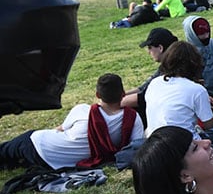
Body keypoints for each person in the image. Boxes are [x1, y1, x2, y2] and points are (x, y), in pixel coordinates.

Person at [0, 73, 143, 171]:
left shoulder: (82, 111)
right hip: (58, 163)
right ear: (123, 94)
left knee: (6, 151)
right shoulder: (132, 119)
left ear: (98, 95)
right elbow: (137, 146)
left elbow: (60, 129)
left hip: (39, 144)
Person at [144, 42, 213, 137]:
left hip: (154, 142)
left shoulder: (154, 83)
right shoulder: (197, 90)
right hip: (185, 145)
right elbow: (210, 126)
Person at [122, 28, 177, 125]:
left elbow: (144, 97)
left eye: (150, 48)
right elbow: (142, 88)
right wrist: (119, 96)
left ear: (160, 48)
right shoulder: (166, 66)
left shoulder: (171, 70)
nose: (148, 52)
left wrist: (113, 102)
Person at [183, 16, 213, 110]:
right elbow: (186, 82)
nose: (206, 36)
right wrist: (204, 97)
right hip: (198, 96)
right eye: (201, 34)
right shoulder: (185, 52)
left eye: (207, 33)